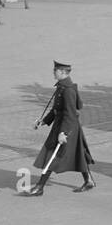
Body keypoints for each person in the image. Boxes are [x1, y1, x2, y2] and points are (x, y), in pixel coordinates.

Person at [24, 61, 95, 196]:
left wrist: (64, 133)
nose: (53, 72)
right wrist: (44, 121)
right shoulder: (62, 87)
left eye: (55, 70)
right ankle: (89, 181)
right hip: (63, 125)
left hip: (67, 127)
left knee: (52, 155)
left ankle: (40, 187)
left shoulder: (68, 90)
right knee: (78, 153)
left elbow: (70, 113)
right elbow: (56, 109)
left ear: (63, 72)